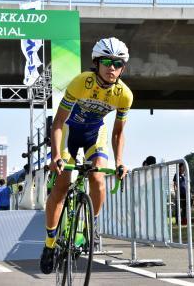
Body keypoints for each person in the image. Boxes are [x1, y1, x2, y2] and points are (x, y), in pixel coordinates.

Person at [40, 37, 132, 274]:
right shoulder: (82, 82)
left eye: (118, 63)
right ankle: (50, 243)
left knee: (98, 177)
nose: (112, 67)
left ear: (123, 67)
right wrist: (55, 157)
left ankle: (88, 225)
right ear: (96, 63)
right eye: (107, 61)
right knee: (61, 185)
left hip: (94, 135)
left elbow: (118, 133)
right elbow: (58, 123)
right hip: (70, 132)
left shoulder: (124, 95)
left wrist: (120, 161)